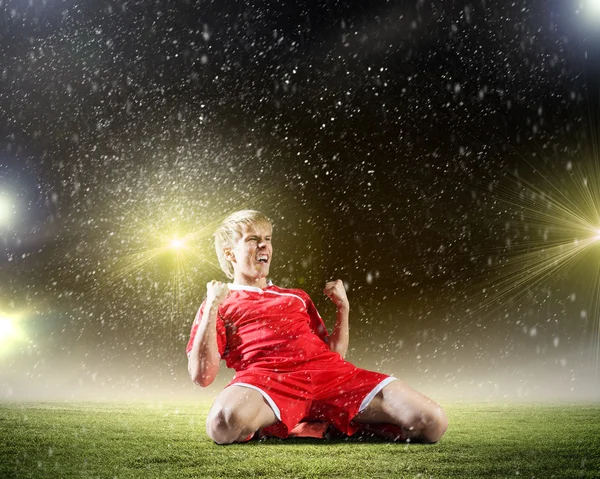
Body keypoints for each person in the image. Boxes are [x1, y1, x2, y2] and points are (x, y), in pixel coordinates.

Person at [187, 210, 448, 444]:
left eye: (267, 238)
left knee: (432, 422)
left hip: (331, 376)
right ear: (230, 253)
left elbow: (335, 355)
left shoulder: (297, 297)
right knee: (222, 425)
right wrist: (211, 306)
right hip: (269, 380)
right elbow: (202, 375)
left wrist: (343, 309)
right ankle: (290, 424)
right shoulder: (220, 301)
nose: (264, 244)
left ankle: (317, 426)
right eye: (253, 239)